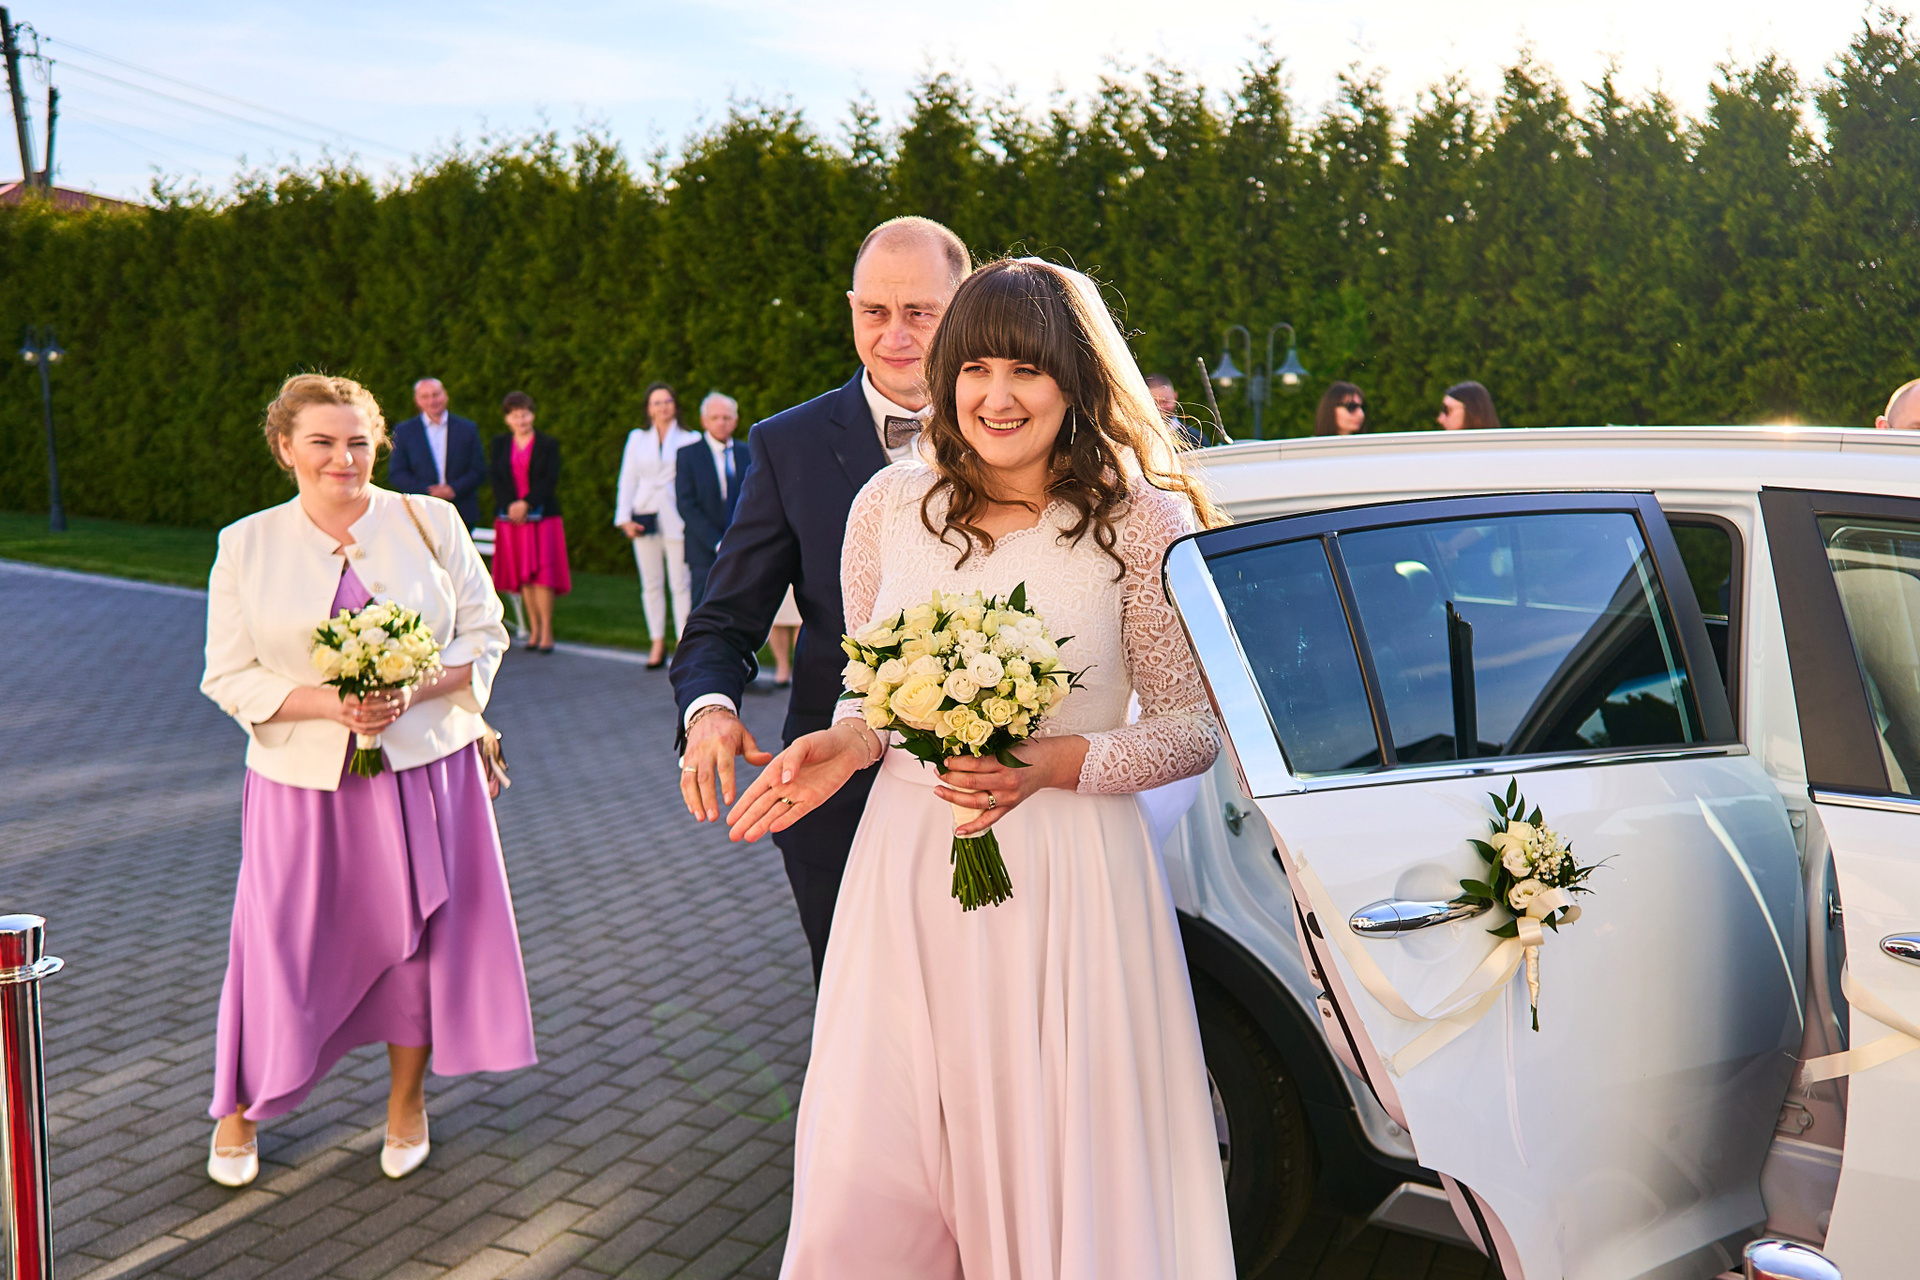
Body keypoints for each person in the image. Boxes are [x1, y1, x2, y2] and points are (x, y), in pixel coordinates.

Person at [726, 258, 1234, 1279]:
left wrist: (1059, 760)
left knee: (1057, 1150)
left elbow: (1192, 728)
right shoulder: (887, 506)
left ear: (1076, 381)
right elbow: (872, 686)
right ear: (949, 375)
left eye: (1028, 370)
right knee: (881, 1153)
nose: (998, 397)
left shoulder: (1143, 521)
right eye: (977, 369)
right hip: (908, 866)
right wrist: (849, 741)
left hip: (1071, 878)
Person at [199, 373, 533, 1190]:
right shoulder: (245, 543)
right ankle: (239, 1107)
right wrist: (330, 704)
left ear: (378, 444)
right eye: (321, 442)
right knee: (276, 949)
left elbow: (487, 634)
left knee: (416, 947)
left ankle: (406, 1105)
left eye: (357, 441)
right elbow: (227, 674)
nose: (342, 458)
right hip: (297, 788)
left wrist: (410, 692)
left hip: (425, 776)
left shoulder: (431, 522)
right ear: (286, 448)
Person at [672, 215, 970, 981]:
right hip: (833, 796)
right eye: (875, 310)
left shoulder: (1014, 428)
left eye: (920, 311)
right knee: (855, 1013)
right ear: (850, 309)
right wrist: (710, 710)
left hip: (989, 793)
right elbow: (723, 618)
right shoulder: (788, 443)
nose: (894, 334)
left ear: (964, 306)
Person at [615, 382, 700, 668]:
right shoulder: (637, 438)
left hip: (678, 517)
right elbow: (628, 478)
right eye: (656, 403)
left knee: (680, 583)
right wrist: (624, 518)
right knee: (651, 583)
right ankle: (656, 642)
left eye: (667, 401)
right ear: (648, 409)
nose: (663, 407)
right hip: (644, 514)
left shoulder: (690, 438)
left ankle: (683, 644)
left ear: (675, 405)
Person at [489, 391, 570, 653]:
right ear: (507, 419)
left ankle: (547, 631)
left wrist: (527, 503)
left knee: (543, 576)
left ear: (532, 415)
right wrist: (512, 505)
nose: (521, 420)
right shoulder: (500, 444)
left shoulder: (548, 444)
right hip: (512, 520)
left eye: (524, 414)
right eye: (515, 415)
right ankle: (533, 630)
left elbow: (550, 479)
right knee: (524, 576)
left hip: (543, 518)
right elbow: (496, 478)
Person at [675, 392, 752, 609]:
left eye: (726, 418)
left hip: (742, 547)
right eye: (715, 418)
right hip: (703, 549)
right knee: (703, 609)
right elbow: (686, 504)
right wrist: (717, 542)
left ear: (735, 420)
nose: (721, 423)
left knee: (740, 608)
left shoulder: (748, 453)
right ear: (704, 421)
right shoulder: (688, 455)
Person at [387, 377, 487, 528]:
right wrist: (428, 491)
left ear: (445, 395)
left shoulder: (467, 429)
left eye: (436, 395)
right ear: (417, 400)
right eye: (425, 396)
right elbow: (397, 473)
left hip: (462, 511)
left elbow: (478, 470)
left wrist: (453, 489)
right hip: (421, 511)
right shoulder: (404, 431)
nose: (432, 401)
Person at [1146, 372, 1202, 447]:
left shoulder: (1195, 439)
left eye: (1165, 402)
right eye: (1155, 404)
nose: (1161, 408)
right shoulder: (1141, 440)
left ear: (1175, 397)